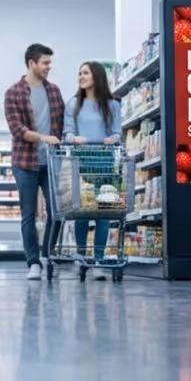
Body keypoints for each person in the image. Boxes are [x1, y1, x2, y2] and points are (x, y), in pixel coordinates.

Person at [4, 43, 65, 280]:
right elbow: (17, 129)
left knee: (57, 212)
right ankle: (33, 263)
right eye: (45, 63)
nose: (49, 67)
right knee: (28, 214)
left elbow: (63, 125)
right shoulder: (13, 93)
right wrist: (43, 137)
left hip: (51, 163)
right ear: (31, 63)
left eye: (50, 62)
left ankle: (47, 256)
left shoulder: (54, 91)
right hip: (25, 162)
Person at [64, 60, 122, 280]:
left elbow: (117, 133)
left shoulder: (112, 105)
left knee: (103, 214)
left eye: (85, 73)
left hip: (105, 162)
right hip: (81, 162)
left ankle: (98, 260)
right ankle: (81, 258)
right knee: (81, 213)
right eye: (79, 73)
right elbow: (67, 133)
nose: (81, 77)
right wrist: (74, 139)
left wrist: (112, 139)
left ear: (96, 76)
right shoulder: (73, 104)